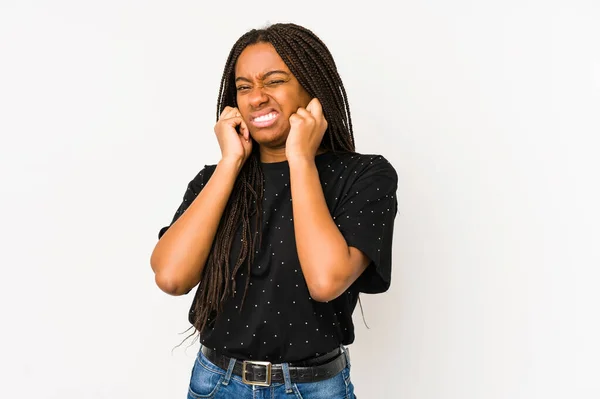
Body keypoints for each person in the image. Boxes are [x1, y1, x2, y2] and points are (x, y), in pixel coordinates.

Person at [150, 22, 398, 399]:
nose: (256, 97)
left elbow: (326, 281)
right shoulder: (214, 180)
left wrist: (300, 157)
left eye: (274, 81)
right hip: (217, 384)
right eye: (244, 86)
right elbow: (171, 277)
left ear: (312, 88)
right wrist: (230, 163)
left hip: (314, 389)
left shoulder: (364, 176)